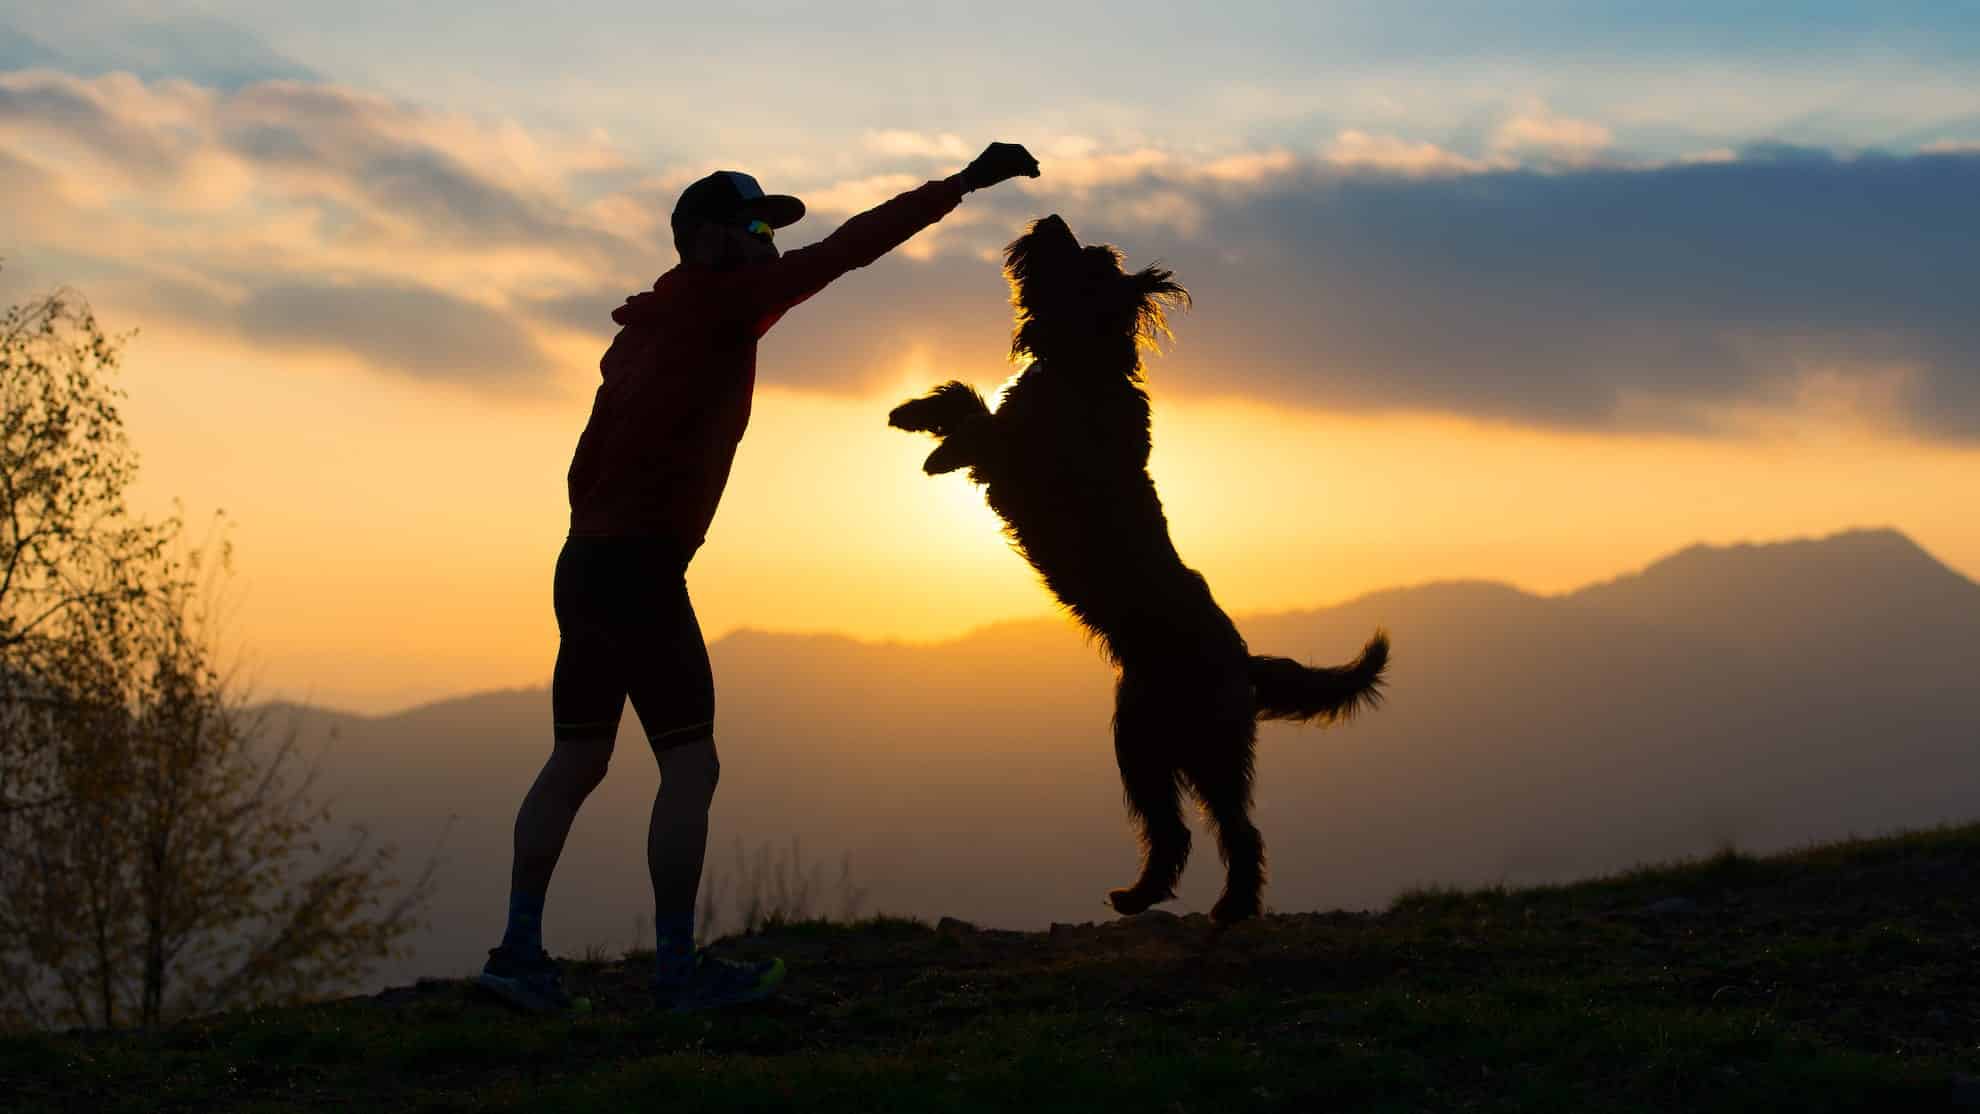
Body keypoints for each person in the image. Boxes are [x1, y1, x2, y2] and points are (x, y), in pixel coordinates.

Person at [478, 142, 1042, 1013]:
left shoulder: (639, 331)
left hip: (585, 561)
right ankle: (675, 973)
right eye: (753, 226)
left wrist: (608, 527)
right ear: (705, 240)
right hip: (641, 567)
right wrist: (962, 186)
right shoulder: (724, 304)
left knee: (578, 756)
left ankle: (516, 956)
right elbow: (849, 249)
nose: (771, 243)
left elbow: (583, 464)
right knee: (690, 767)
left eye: (772, 228)